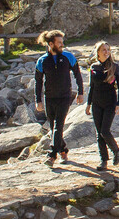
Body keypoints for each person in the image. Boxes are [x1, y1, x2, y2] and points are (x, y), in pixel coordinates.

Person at [34, 30, 83, 166]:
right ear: (51, 44)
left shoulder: (68, 57)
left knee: (58, 126)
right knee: (53, 128)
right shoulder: (42, 61)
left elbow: (78, 75)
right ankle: (63, 150)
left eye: (62, 42)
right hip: (49, 98)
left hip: (64, 97)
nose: (62, 45)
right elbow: (38, 82)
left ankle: (51, 155)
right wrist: (38, 100)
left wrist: (80, 92)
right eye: (59, 43)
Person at [85, 41, 119, 171]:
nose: (106, 52)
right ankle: (103, 160)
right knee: (99, 133)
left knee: (104, 131)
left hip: (110, 103)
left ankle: (116, 150)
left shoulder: (114, 67)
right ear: (98, 52)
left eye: (108, 49)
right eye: (103, 50)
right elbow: (92, 87)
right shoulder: (94, 67)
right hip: (97, 103)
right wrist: (88, 104)